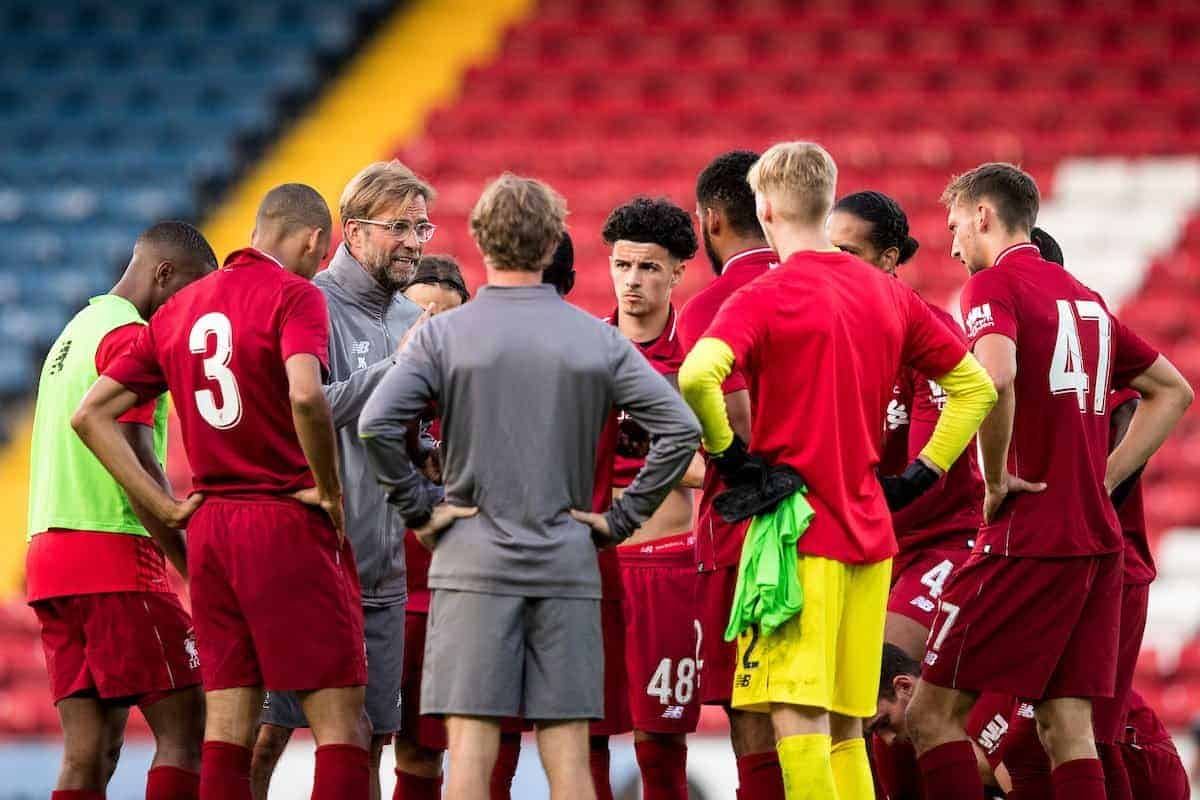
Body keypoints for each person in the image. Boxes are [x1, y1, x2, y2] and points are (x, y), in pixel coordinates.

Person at [357, 173, 701, 800]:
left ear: (482, 244)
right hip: (569, 565)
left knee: (472, 755)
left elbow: (378, 424)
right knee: (571, 757)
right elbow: (678, 430)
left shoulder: (442, 334)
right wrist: (618, 523)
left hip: (472, 564)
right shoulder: (598, 340)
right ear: (550, 248)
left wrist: (424, 512)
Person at [678, 141, 997, 800]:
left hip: (798, 537)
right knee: (850, 725)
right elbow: (976, 389)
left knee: (796, 716)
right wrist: (920, 476)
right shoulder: (887, 295)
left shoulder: (768, 294)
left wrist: (732, 458)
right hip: (872, 535)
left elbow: (698, 374)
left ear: (764, 208)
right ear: (825, 207)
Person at [73, 184, 374, 800]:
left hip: (211, 528)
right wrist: (330, 490)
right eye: (321, 254)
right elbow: (306, 395)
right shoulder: (296, 295)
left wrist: (162, 506)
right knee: (343, 721)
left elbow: (90, 415)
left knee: (228, 727)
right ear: (316, 241)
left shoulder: (181, 307)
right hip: (284, 517)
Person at [905, 162, 1193, 800]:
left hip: (1026, 537)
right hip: (1096, 547)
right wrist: (1102, 477)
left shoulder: (992, 287)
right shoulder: (1085, 298)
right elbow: (1173, 391)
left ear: (983, 214)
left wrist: (995, 475)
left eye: (955, 227)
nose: (951, 247)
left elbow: (994, 376)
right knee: (1070, 728)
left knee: (929, 717)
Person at [250, 162, 436, 800]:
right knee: (269, 730)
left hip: (383, 567)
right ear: (352, 233)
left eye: (422, 227)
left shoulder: (412, 315)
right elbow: (305, 406)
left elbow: (411, 430)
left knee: (372, 736)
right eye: (400, 228)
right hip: (313, 558)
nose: (416, 241)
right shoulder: (311, 301)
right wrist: (401, 363)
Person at [26, 222, 217, 800]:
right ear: (163, 275)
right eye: (188, 294)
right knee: (188, 727)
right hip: (111, 550)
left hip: (49, 558)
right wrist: (192, 564)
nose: (188, 314)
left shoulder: (77, 330)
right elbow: (132, 454)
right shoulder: (131, 337)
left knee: (89, 754)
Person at [827, 190, 984, 661]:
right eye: (827, 253)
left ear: (888, 257)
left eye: (848, 254)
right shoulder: (823, 334)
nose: (834, 267)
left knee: (883, 680)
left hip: (935, 540)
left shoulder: (928, 336)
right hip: (861, 543)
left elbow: (923, 482)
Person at [676, 150, 783, 800]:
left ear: (711, 220)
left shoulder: (708, 309)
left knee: (753, 714)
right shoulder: (843, 287)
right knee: (837, 719)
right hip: (840, 524)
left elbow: (734, 425)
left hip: (747, 534)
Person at [598, 197, 705, 800]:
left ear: (676, 272)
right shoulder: (587, 348)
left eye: (648, 268)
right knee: (584, 728)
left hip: (666, 561)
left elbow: (715, 465)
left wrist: (643, 464)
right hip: (593, 565)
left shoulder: (696, 357)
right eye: (622, 266)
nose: (632, 281)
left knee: (661, 736)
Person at [391, 254, 470, 800]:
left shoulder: (480, 402)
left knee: (424, 753)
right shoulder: (365, 392)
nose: (430, 330)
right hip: (377, 597)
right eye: (419, 314)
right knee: (354, 740)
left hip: (451, 605)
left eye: (446, 318)